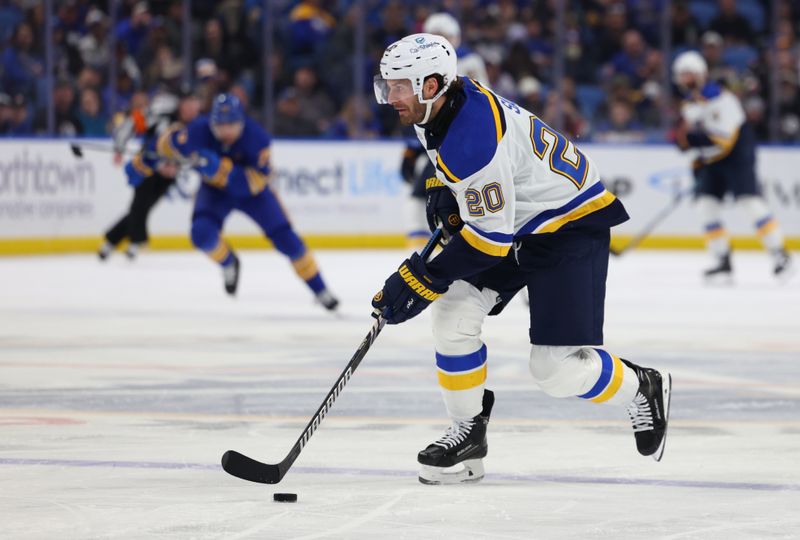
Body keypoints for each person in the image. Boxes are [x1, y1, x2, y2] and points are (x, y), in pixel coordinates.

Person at [371, 33, 672, 485]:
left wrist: (422, 278)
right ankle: (468, 434)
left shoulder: (471, 137)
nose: (389, 96)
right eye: (387, 84)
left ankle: (642, 386)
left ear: (430, 85)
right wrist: (443, 191)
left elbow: (489, 242)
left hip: (569, 224)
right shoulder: (437, 104)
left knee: (553, 370)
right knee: (453, 313)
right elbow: (465, 181)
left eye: (398, 86)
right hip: (519, 219)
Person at [152, 93, 339, 309]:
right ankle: (229, 262)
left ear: (241, 122)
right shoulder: (198, 130)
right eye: (220, 125)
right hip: (215, 192)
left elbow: (254, 182)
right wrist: (160, 158)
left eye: (231, 124)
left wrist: (219, 168)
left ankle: (320, 288)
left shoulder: (257, 138)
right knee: (201, 234)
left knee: (289, 242)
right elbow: (167, 145)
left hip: (254, 195)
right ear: (212, 123)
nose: (226, 131)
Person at [672, 51, 793, 280]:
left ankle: (779, 253)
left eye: (689, 74)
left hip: (737, 156)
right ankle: (722, 259)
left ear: (700, 74)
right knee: (707, 206)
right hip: (714, 159)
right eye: (682, 74)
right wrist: (693, 153)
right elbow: (694, 138)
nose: (685, 79)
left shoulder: (721, 98)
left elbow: (722, 140)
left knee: (750, 201)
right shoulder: (689, 104)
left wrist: (692, 143)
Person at [401, 13, 489, 249]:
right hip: (442, 139)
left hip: (459, 140)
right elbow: (419, 110)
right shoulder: (426, 64)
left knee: (433, 197)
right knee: (425, 197)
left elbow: (482, 102)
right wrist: (413, 146)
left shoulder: (469, 61)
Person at [98, 93, 193, 260]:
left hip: (168, 175)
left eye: (194, 104)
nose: (190, 108)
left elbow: (193, 153)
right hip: (146, 166)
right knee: (139, 205)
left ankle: (110, 242)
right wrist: (119, 146)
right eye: (187, 103)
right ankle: (135, 242)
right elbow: (135, 122)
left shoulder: (197, 124)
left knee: (142, 208)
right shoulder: (162, 113)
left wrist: (176, 166)